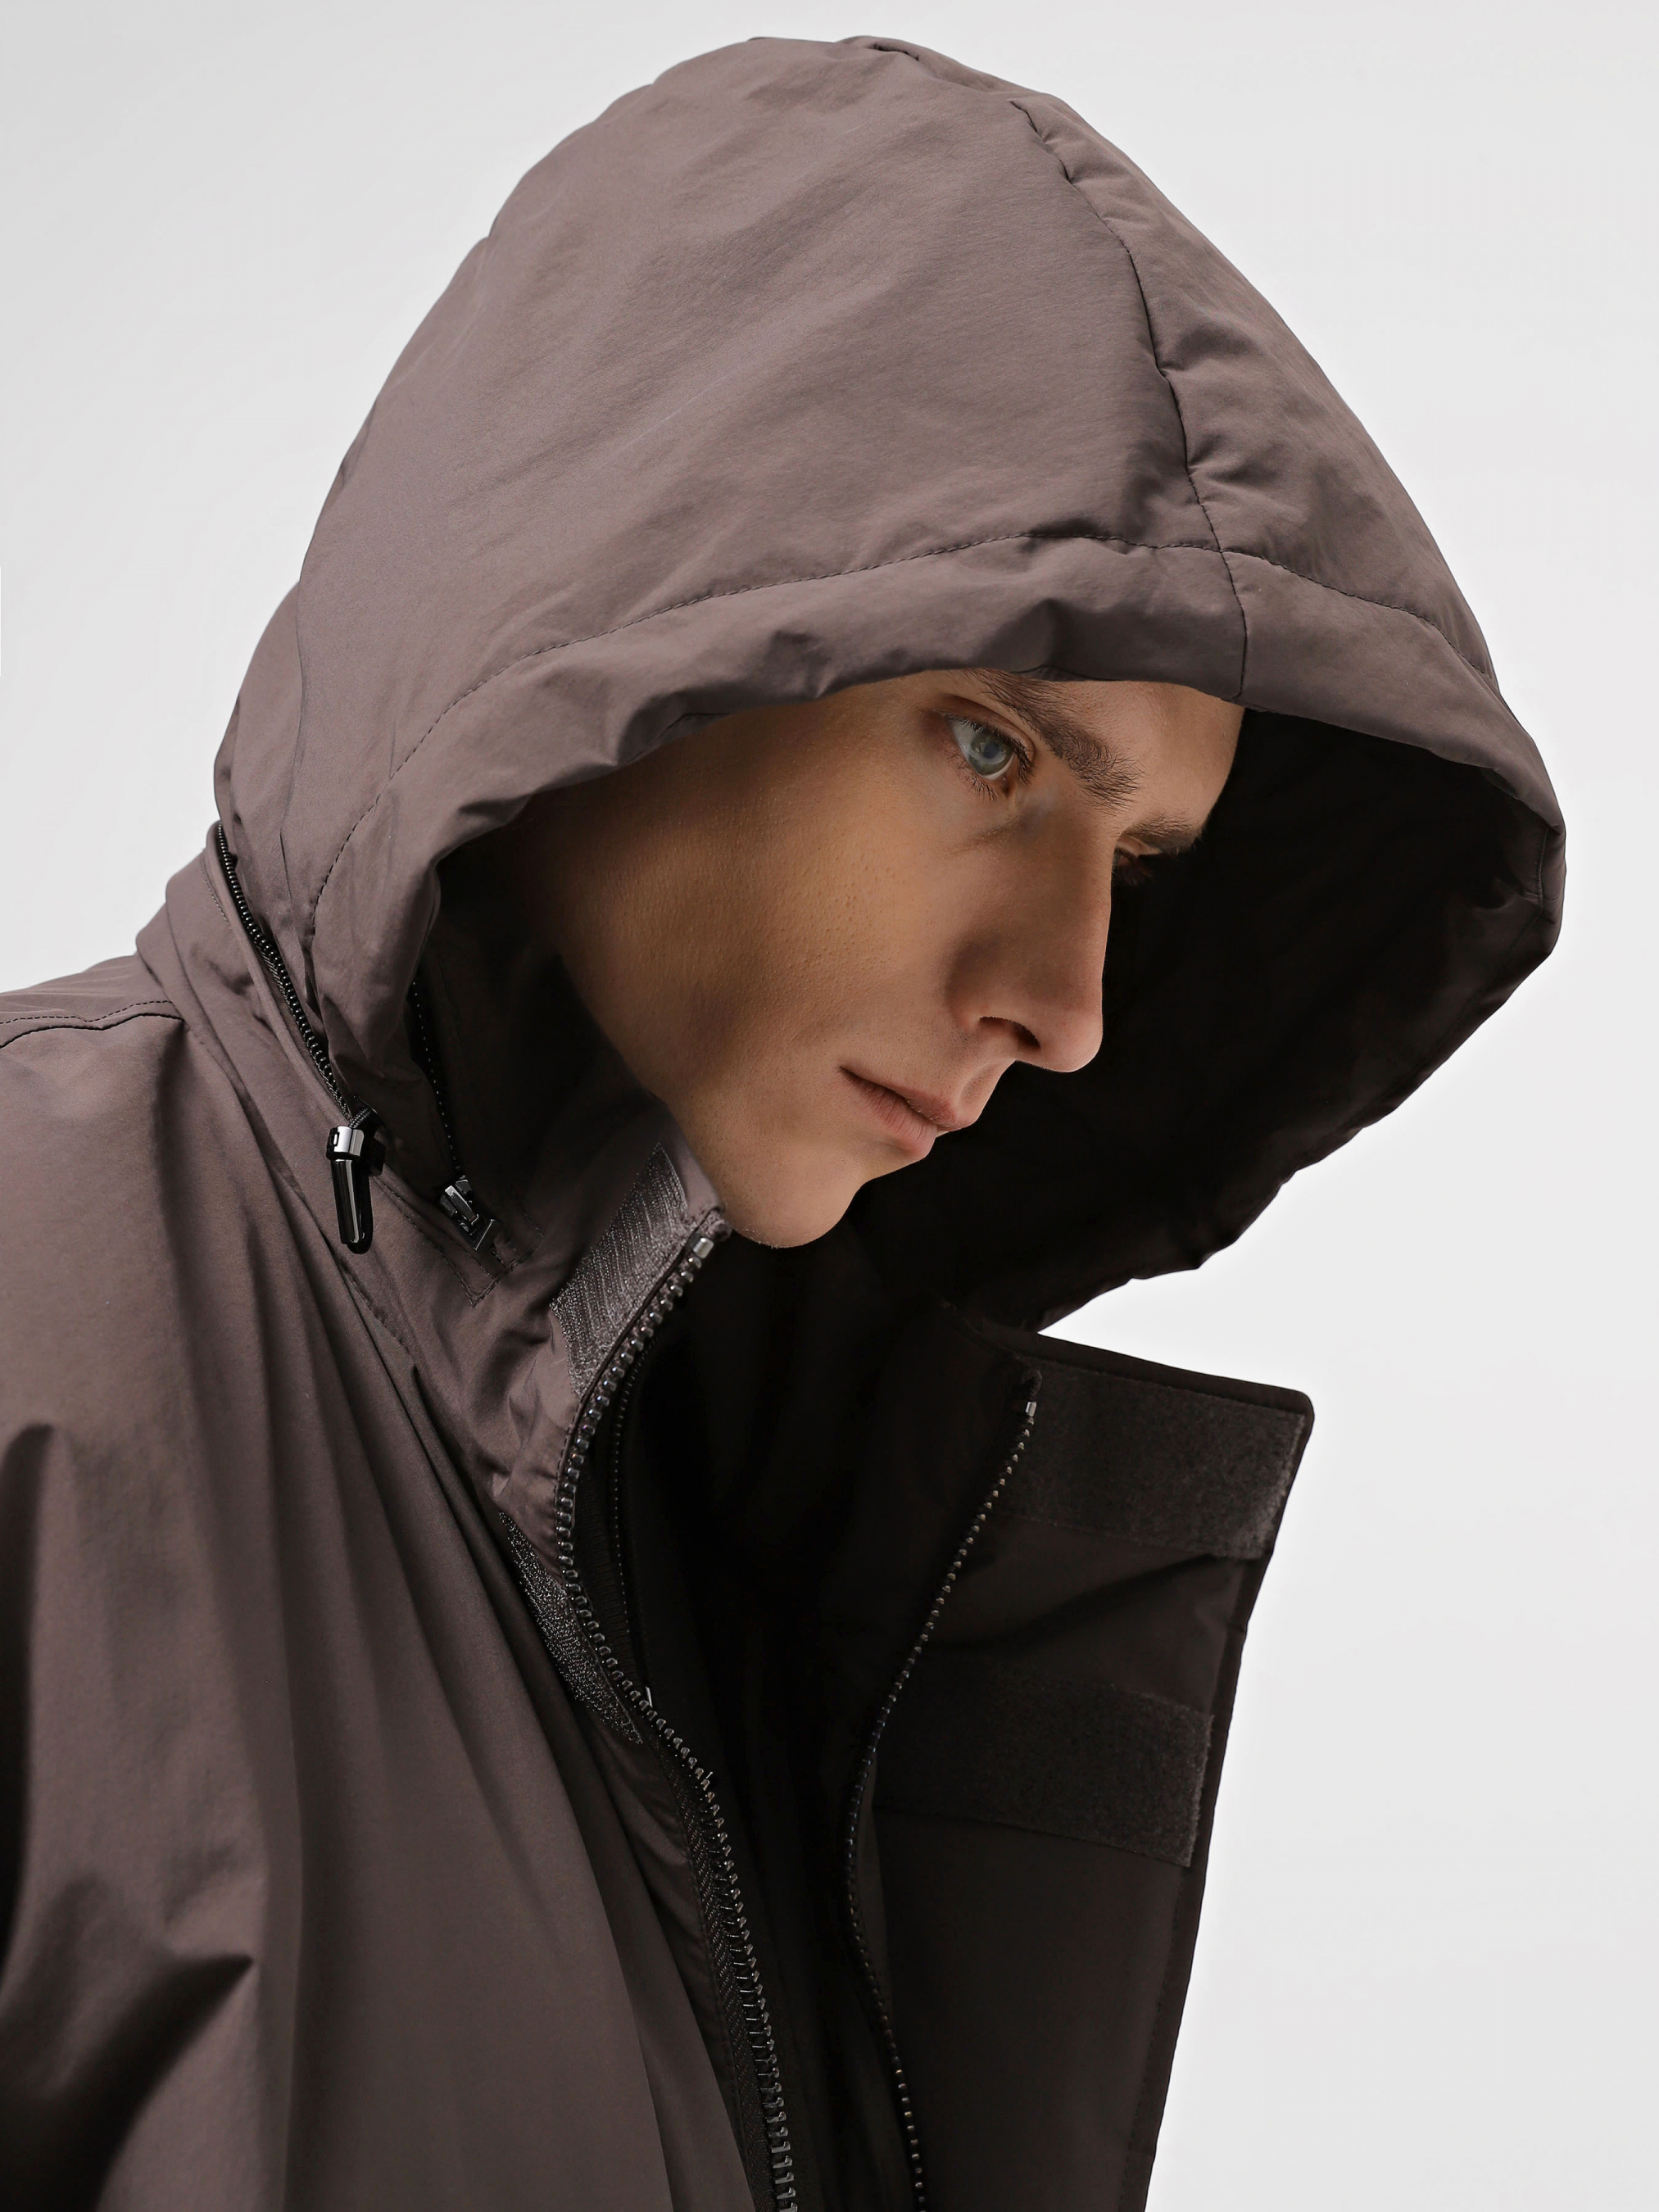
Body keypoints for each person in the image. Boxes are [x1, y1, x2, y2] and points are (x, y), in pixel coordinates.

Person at [0, 34, 1562, 2212]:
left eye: (1135, 861)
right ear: (625, 642)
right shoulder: (36, 1296)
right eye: (995, 751)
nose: (1071, 1007)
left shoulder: (758, 1531)